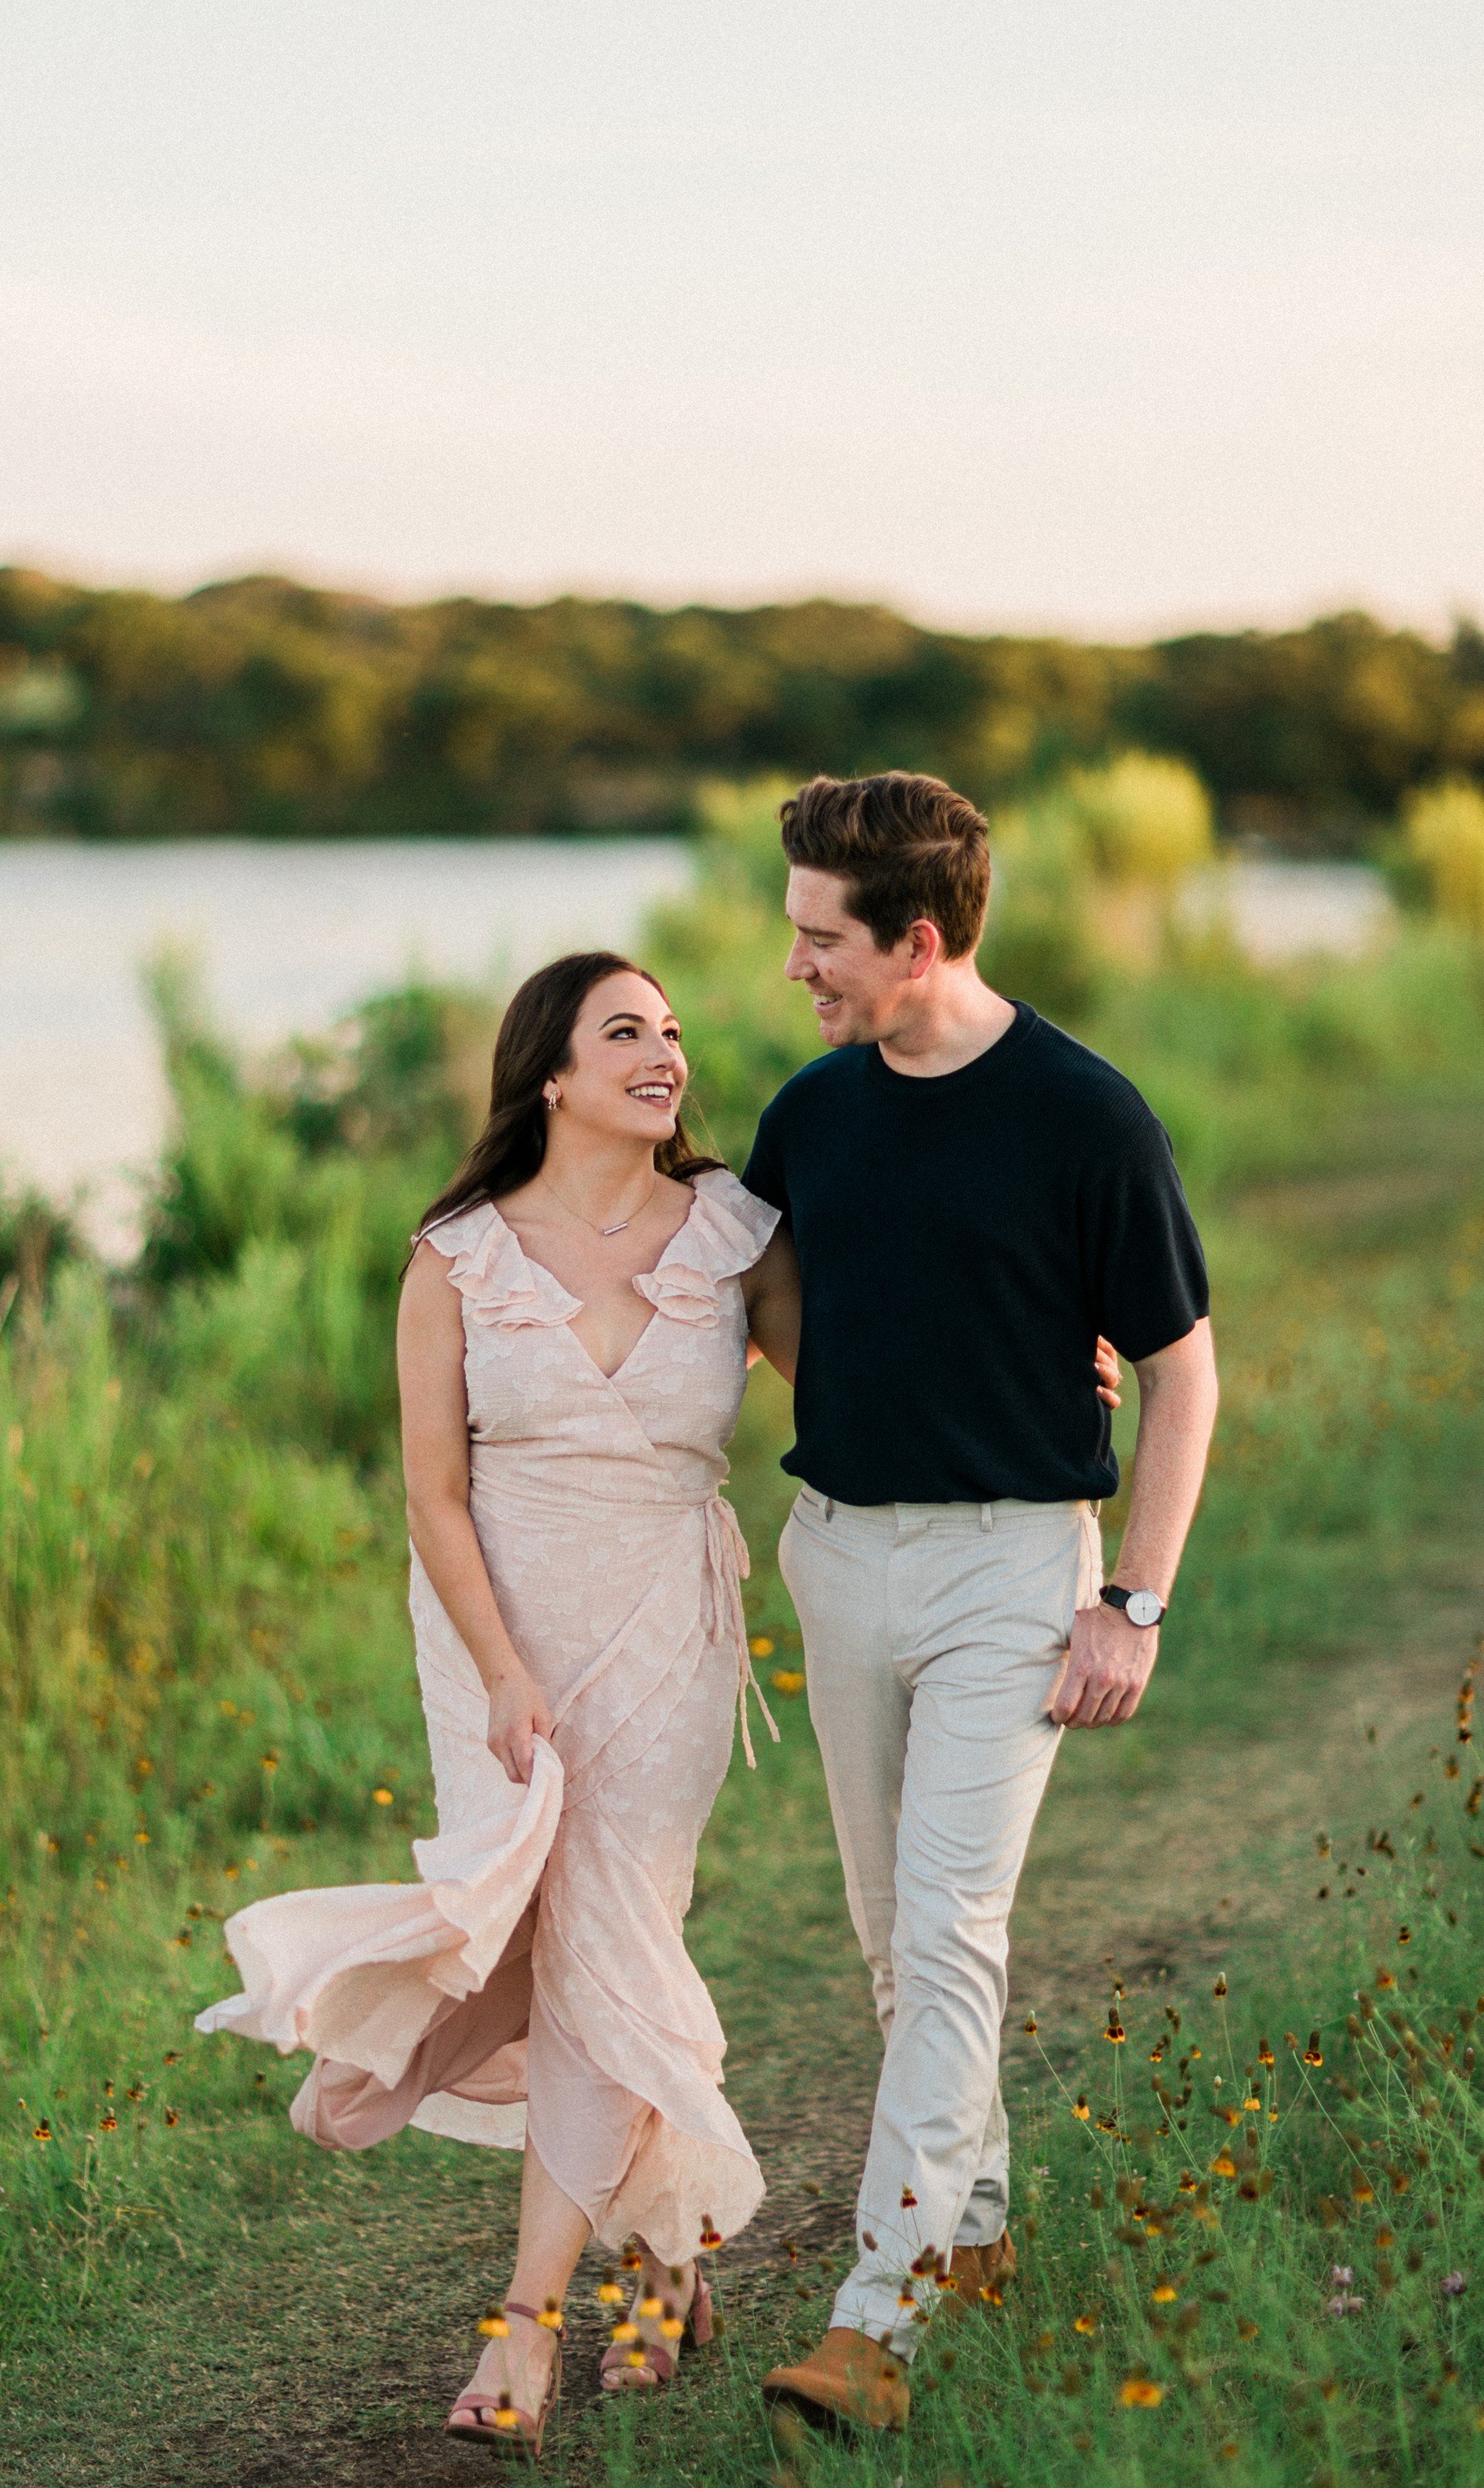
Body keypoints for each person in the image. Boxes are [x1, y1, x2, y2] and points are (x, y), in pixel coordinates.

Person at [195, 951, 801, 2456]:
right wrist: (506, 1671)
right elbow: (433, 1491)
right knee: (542, 1925)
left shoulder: (733, 1230)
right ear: (551, 1072)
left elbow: (859, 1390)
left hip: (668, 1621)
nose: (665, 1053)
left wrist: (1062, 1376)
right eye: (626, 1033)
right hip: (496, 1630)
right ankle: (662, 2252)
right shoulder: (457, 1252)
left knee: (609, 1928)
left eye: (672, 1031)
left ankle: (526, 2329)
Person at [749, 773, 1219, 2436]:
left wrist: (1133, 1600)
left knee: (948, 1934)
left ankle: (874, 2321)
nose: (793, 962)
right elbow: (774, 1296)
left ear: (919, 939)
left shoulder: (1085, 1116)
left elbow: (1178, 1367)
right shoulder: (812, 1110)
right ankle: (983, 2229)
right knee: (898, 1948)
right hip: (838, 1554)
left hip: (1011, 1572)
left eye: (820, 937)